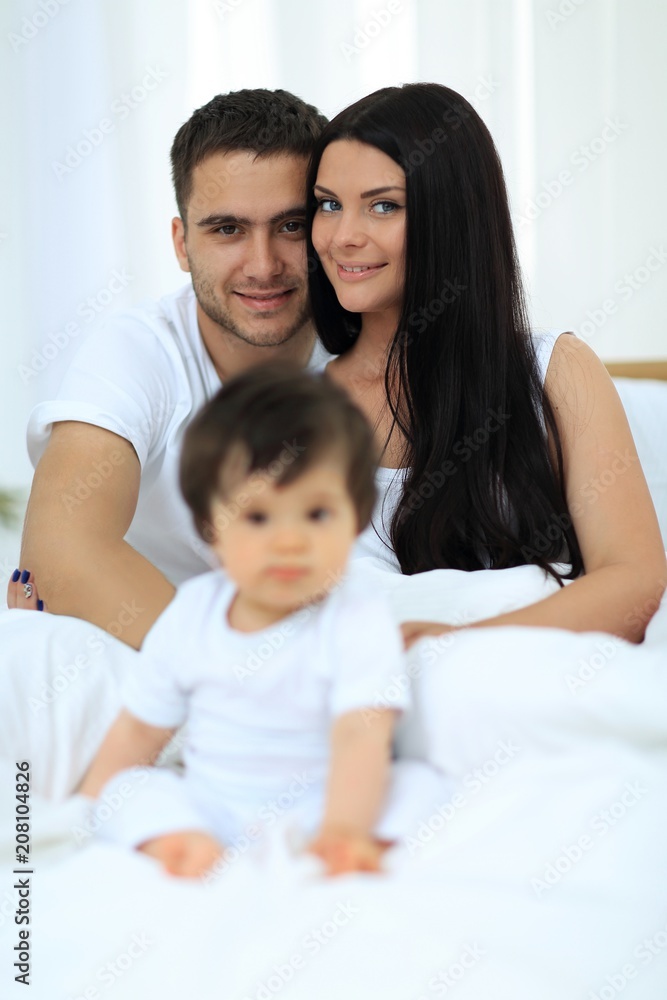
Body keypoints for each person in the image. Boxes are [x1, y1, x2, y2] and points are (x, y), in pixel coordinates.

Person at [304, 83, 666, 645]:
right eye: (328, 204)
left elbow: (635, 584)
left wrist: (452, 645)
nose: (343, 236)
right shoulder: (297, 407)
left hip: (513, 690)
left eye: (384, 205)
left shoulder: (555, 371)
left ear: (453, 216)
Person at [7, 89, 331, 649]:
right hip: (168, 673)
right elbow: (59, 555)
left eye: (291, 226)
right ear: (182, 244)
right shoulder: (138, 349)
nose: (263, 265)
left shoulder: (372, 349)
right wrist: (247, 682)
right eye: (227, 229)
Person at [77, 363, 410, 878]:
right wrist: (88, 813)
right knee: (127, 790)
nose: (289, 541)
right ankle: (182, 843)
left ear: (357, 518)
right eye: (257, 517)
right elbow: (141, 727)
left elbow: (360, 736)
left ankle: (336, 851)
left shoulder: (356, 614)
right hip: (211, 806)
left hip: (322, 805)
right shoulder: (192, 612)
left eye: (317, 514)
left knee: (419, 786)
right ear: (212, 530)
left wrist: (343, 827)